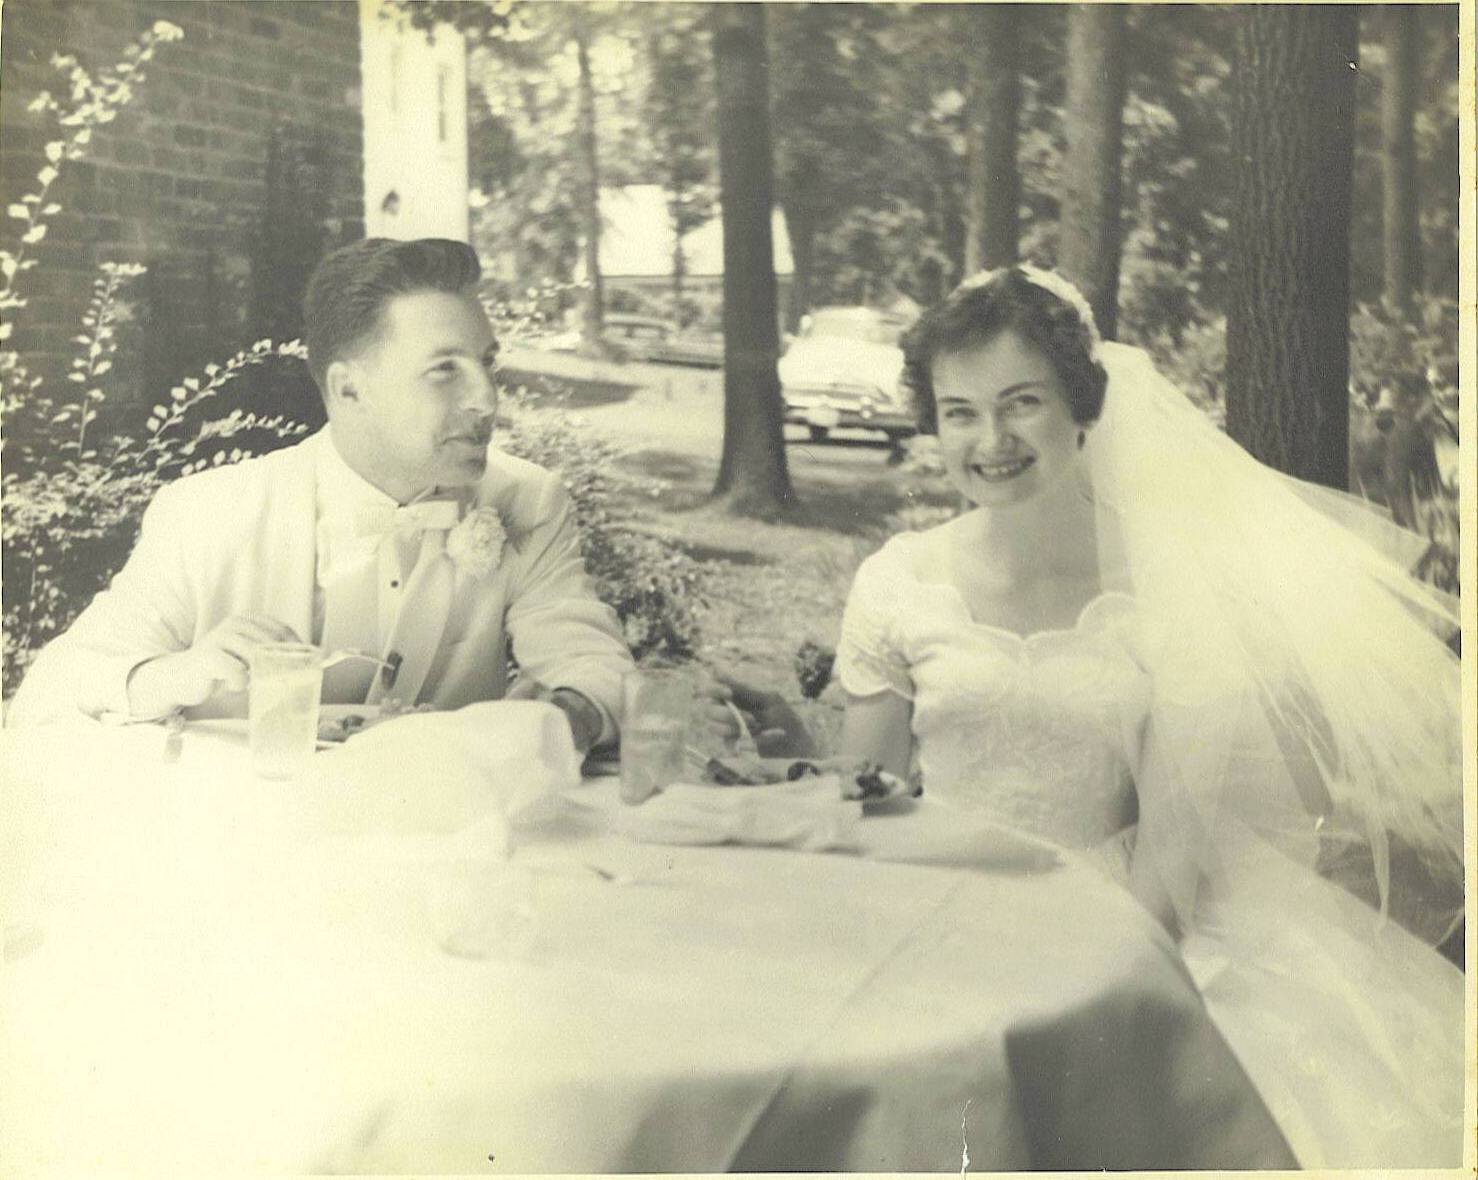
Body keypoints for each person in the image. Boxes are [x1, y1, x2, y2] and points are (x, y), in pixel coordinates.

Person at [829, 266, 1465, 1168]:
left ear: (1080, 406)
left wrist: (1087, 990)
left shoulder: (1168, 587)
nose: (991, 440)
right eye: (960, 412)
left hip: (1122, 917)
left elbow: (1172, 847)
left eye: (1022, 403)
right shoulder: (898, 581)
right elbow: (867, 801)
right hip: (932, 912)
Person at [9, 238, 634, 755]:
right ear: (348, 390)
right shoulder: (208, 512)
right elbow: (50, 693)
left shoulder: (527, 500)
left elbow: (596, 667)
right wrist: (178, 673)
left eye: (486, 363)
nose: (487, 400)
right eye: (445, 369)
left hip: (440, 843)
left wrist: (561, 720)